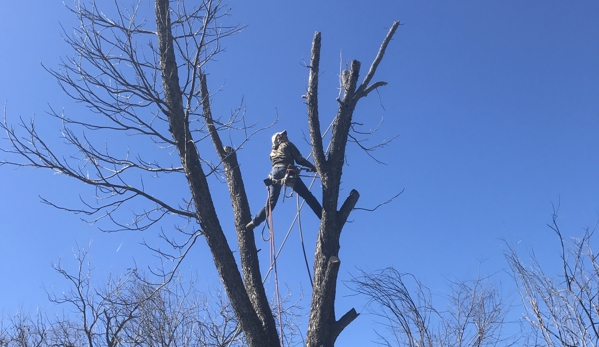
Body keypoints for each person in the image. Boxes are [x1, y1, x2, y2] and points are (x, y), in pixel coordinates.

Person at [246, 130, 322, 229]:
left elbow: (277, 163)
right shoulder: (287, 145)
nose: (286, 136)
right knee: (307, 195)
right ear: (279, 138)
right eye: (283, 135)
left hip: (274, 173)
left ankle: (255, 222)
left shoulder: (272, 152)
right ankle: (322, 215)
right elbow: (299, 160)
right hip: (286, 170)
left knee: (271, 203)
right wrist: (313, 167)